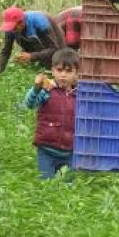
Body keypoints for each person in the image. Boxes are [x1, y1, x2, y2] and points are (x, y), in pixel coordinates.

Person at [22, 47, 79, 179]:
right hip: (47, 148)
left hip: (70, 150)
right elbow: (30, 103)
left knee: (68, 187)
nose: (63, 75)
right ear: (52, 70)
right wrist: (36, 89)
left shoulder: (79, 95)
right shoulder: (47, 89)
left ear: (77, 74)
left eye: (68, 71)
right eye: (59, 70)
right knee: (45, 184)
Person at [0, 6, 65, 74]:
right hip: (33, 42)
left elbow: (53, 49)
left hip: (53, 42)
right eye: (10, 28)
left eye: (14, 28)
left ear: (21, 23)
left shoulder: (40, 23)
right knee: (33, 68)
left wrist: (32, 56)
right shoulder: (11, 29)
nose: (13, 31)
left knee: (59, 64)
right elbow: (6, 51)